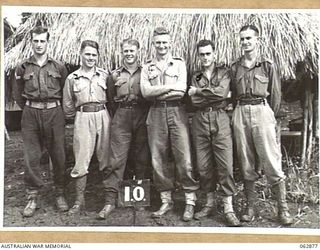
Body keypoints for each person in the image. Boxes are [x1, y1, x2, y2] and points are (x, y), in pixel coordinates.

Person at [230, 24, 293, 225]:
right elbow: (232, 93)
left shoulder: (267, 65)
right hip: (240, 111)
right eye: (242, 39)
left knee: (271, 159)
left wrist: (271, 118)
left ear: (258, 40)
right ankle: (250, 207)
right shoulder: (235, 67)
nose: (245, 42)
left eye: (249, 38)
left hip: (262, 110)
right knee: (245, 159)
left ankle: (282, 209)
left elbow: (275, 94)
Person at [140, 27, 199, 222]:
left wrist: (159, 89)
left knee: (184, 157)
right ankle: (166, 200)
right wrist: (168, 87)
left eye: (165, 42)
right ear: (153, 44)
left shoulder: (179, 64)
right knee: (158, 158)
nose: (162, 46)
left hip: (176, 111)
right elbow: (145, 93)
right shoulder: (147, 66)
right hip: (155, 112)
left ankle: (190, 201)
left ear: (170, 43)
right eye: (158, 42)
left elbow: (181, 90)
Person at [13, 26, 69, 217]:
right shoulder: (22, 67)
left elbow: (64, 90)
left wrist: (56, 109)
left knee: (59, 155)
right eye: (35, 41)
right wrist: (30, 108)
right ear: (31, 42)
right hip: (31, 114)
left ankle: (60, 193)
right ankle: (32, 196)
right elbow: (17, 94)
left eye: (42, 41)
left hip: (54, 112)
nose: (39, 44)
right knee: (31, 156)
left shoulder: (58, 66)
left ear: (48, 42)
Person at [96, 39, 151, 219]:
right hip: (121, 116)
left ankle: (139, 200)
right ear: (122, 52)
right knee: (116, 159)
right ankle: (110, 201)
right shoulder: (114, 75)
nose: (129, 54)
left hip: (142, 114)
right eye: (126, 51)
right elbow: (111, 99)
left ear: (138, 51)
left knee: (141, 157)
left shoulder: (146, 72)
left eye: (132, 51)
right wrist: (120, 114)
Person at [188, 40, 241, 226]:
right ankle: (209, 204)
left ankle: (228, 208)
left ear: (214, 54)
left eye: (208, 53)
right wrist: (208, 94)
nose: (205, 57)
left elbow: (221, 94)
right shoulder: (195, 76)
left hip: (220, 118)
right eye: (202, 54)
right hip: (200, 120)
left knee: (225, 165)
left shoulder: (224, 72)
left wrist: (199, 91)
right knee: (203, 167)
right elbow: (194, 102)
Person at [63, 40, 111, 216]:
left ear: (98, 56)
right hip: (82, 117)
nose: (91, 58)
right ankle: (79, 201)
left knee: (106, 157)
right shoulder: (72, 78)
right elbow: (68, 105)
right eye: (87, 54)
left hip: (103, 115)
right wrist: (77, 118)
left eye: (94, 55)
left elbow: (111, 98)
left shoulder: (105, 75)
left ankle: (108, 200)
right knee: (81, 158)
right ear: (81, 55)